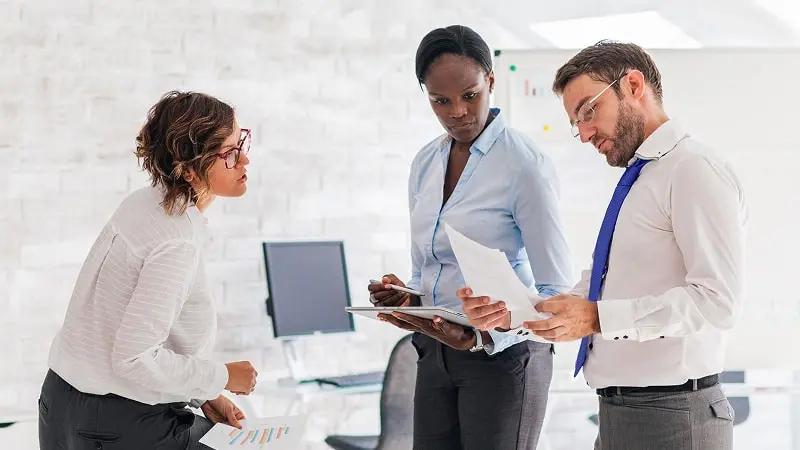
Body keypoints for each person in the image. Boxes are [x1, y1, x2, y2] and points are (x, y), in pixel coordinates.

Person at [458, 41, 746, 450]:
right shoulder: (641, 180)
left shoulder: (692, 170)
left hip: (675, 418)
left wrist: (598, 319)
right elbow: (599, 291)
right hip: (620, 414)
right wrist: (513, 315)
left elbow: (718, 302)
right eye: (576, 123)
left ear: (632, 85)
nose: (585, 133)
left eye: (588, 111)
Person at [367, 25, 573, 450]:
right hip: (435, 353)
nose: (457, 111)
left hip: (506, 360)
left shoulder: (524, 165)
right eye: (440, 101)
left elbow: (556, 293)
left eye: (470, 95)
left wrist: (484, 335)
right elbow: (427, 270)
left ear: (491, 82)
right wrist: (407, 299)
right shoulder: (425, 163)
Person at [38, 91, 260, 450]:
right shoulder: (176, 241)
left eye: (242, 142)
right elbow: (133, 358)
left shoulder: (143, 204)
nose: (245, 159)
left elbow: (112, 328)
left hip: (61, 404)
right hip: (120, 423)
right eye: (230, 153)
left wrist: (204, 394)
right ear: (188, 168)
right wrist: (221, 376)